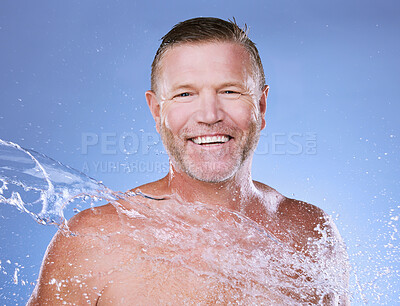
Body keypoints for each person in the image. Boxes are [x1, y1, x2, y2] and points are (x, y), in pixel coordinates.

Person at [28, 17, 349, 304]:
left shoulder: (310, 232)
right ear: (157, 111)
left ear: (261, 106)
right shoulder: (92, 241)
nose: (209, 116)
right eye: (184, 94)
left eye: (230, 91)